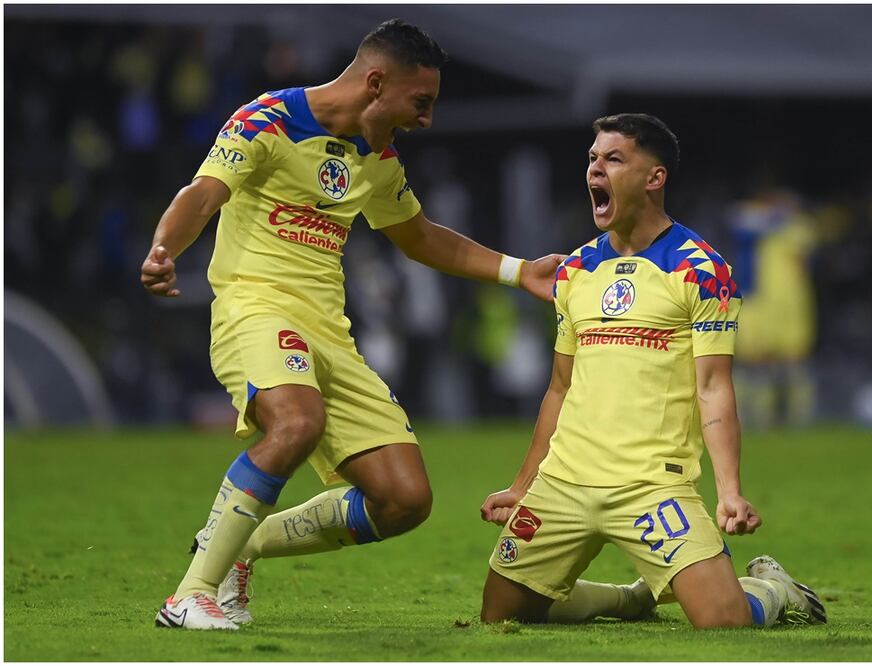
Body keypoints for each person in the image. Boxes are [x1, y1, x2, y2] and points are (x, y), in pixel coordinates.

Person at [142, 19, 562, 630]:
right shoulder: (268, 120)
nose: (426, 120)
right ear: (376, 83)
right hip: (256, 308)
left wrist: (518, 271)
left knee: (403, 499)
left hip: (330, 334)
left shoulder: (377, 158)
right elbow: (204, 193)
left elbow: (419, 237)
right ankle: (190, 595)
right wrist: (164, 249)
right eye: (421, 102)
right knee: (296, 422)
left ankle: (237, 545)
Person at [478, 114, 827, 629]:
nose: (595, 169)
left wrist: (729, 490)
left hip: (651, 487)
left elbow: (713, 387)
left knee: (723, 622)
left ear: (654, 177)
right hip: (565, 482)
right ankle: (629, 600)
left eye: (613, 159)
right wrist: (521, 485)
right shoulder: (575, 269)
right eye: (592, 159)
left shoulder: (701, 270)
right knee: (502, 616)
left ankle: (774, 590)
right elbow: (560, 387)